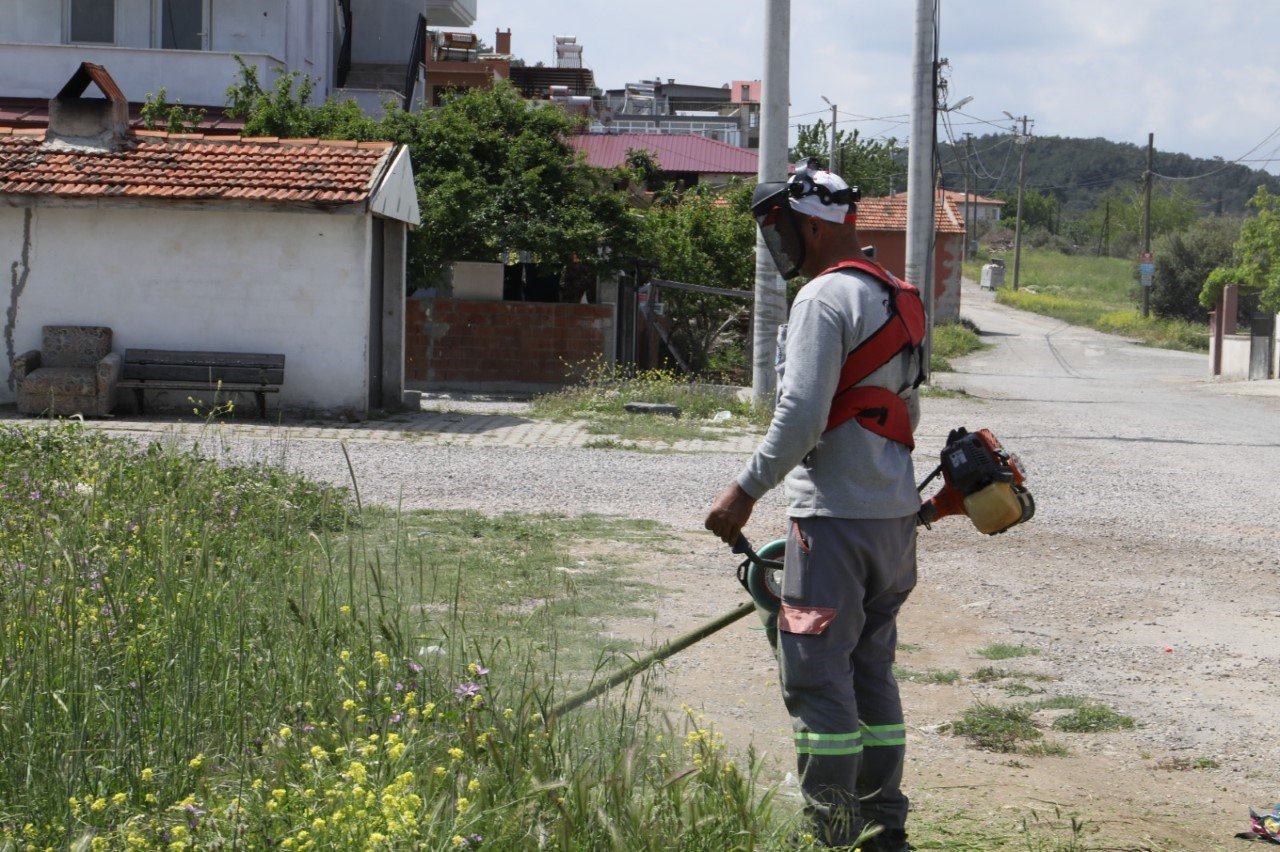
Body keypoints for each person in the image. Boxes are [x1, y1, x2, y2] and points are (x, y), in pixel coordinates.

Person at [704, 160, 924, 851]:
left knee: (816, 674)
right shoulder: (895, 295)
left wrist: (743, 492)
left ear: (807, 224)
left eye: (778, 231)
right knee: (870, 672)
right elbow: (902, 409)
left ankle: (829, 833)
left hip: (831, 523)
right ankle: (883, 824)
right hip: (893, 523)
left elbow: (800, 415)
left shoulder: (823, 300)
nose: (778, 249)